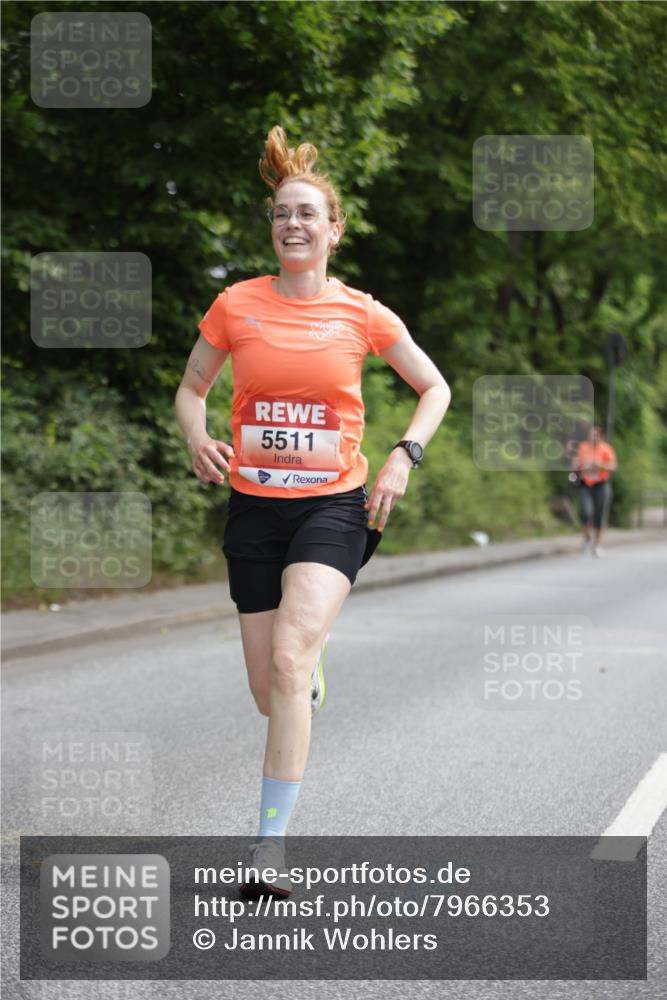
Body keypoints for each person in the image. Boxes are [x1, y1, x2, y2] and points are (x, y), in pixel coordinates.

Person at [175, 125, 450, 896]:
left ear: (333, 231)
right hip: (253, 509)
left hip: (333, 506)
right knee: (270, 693)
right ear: (272, 229)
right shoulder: (235, 304)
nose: (291, 224)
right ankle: (306, 664)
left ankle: (269, 848)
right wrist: (196, 435)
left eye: (306, 214)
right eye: (280, 214)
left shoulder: (361, 314)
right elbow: (192, 388)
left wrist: (402, 456)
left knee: (289, 660)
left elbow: (434, 387)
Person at [570, 423, 617, 557]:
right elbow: (575, 464)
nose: (593, 437)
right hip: (586, 484)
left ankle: (597, 544)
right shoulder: (583, 447)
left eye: (596, 435)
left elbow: (613, 466)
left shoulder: (606, 449)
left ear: (600, 436)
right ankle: (586, 537)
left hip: (601, 484)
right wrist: (575, 465)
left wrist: (600, 465)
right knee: (585, 512)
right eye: (591, 434)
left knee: (599, 515)